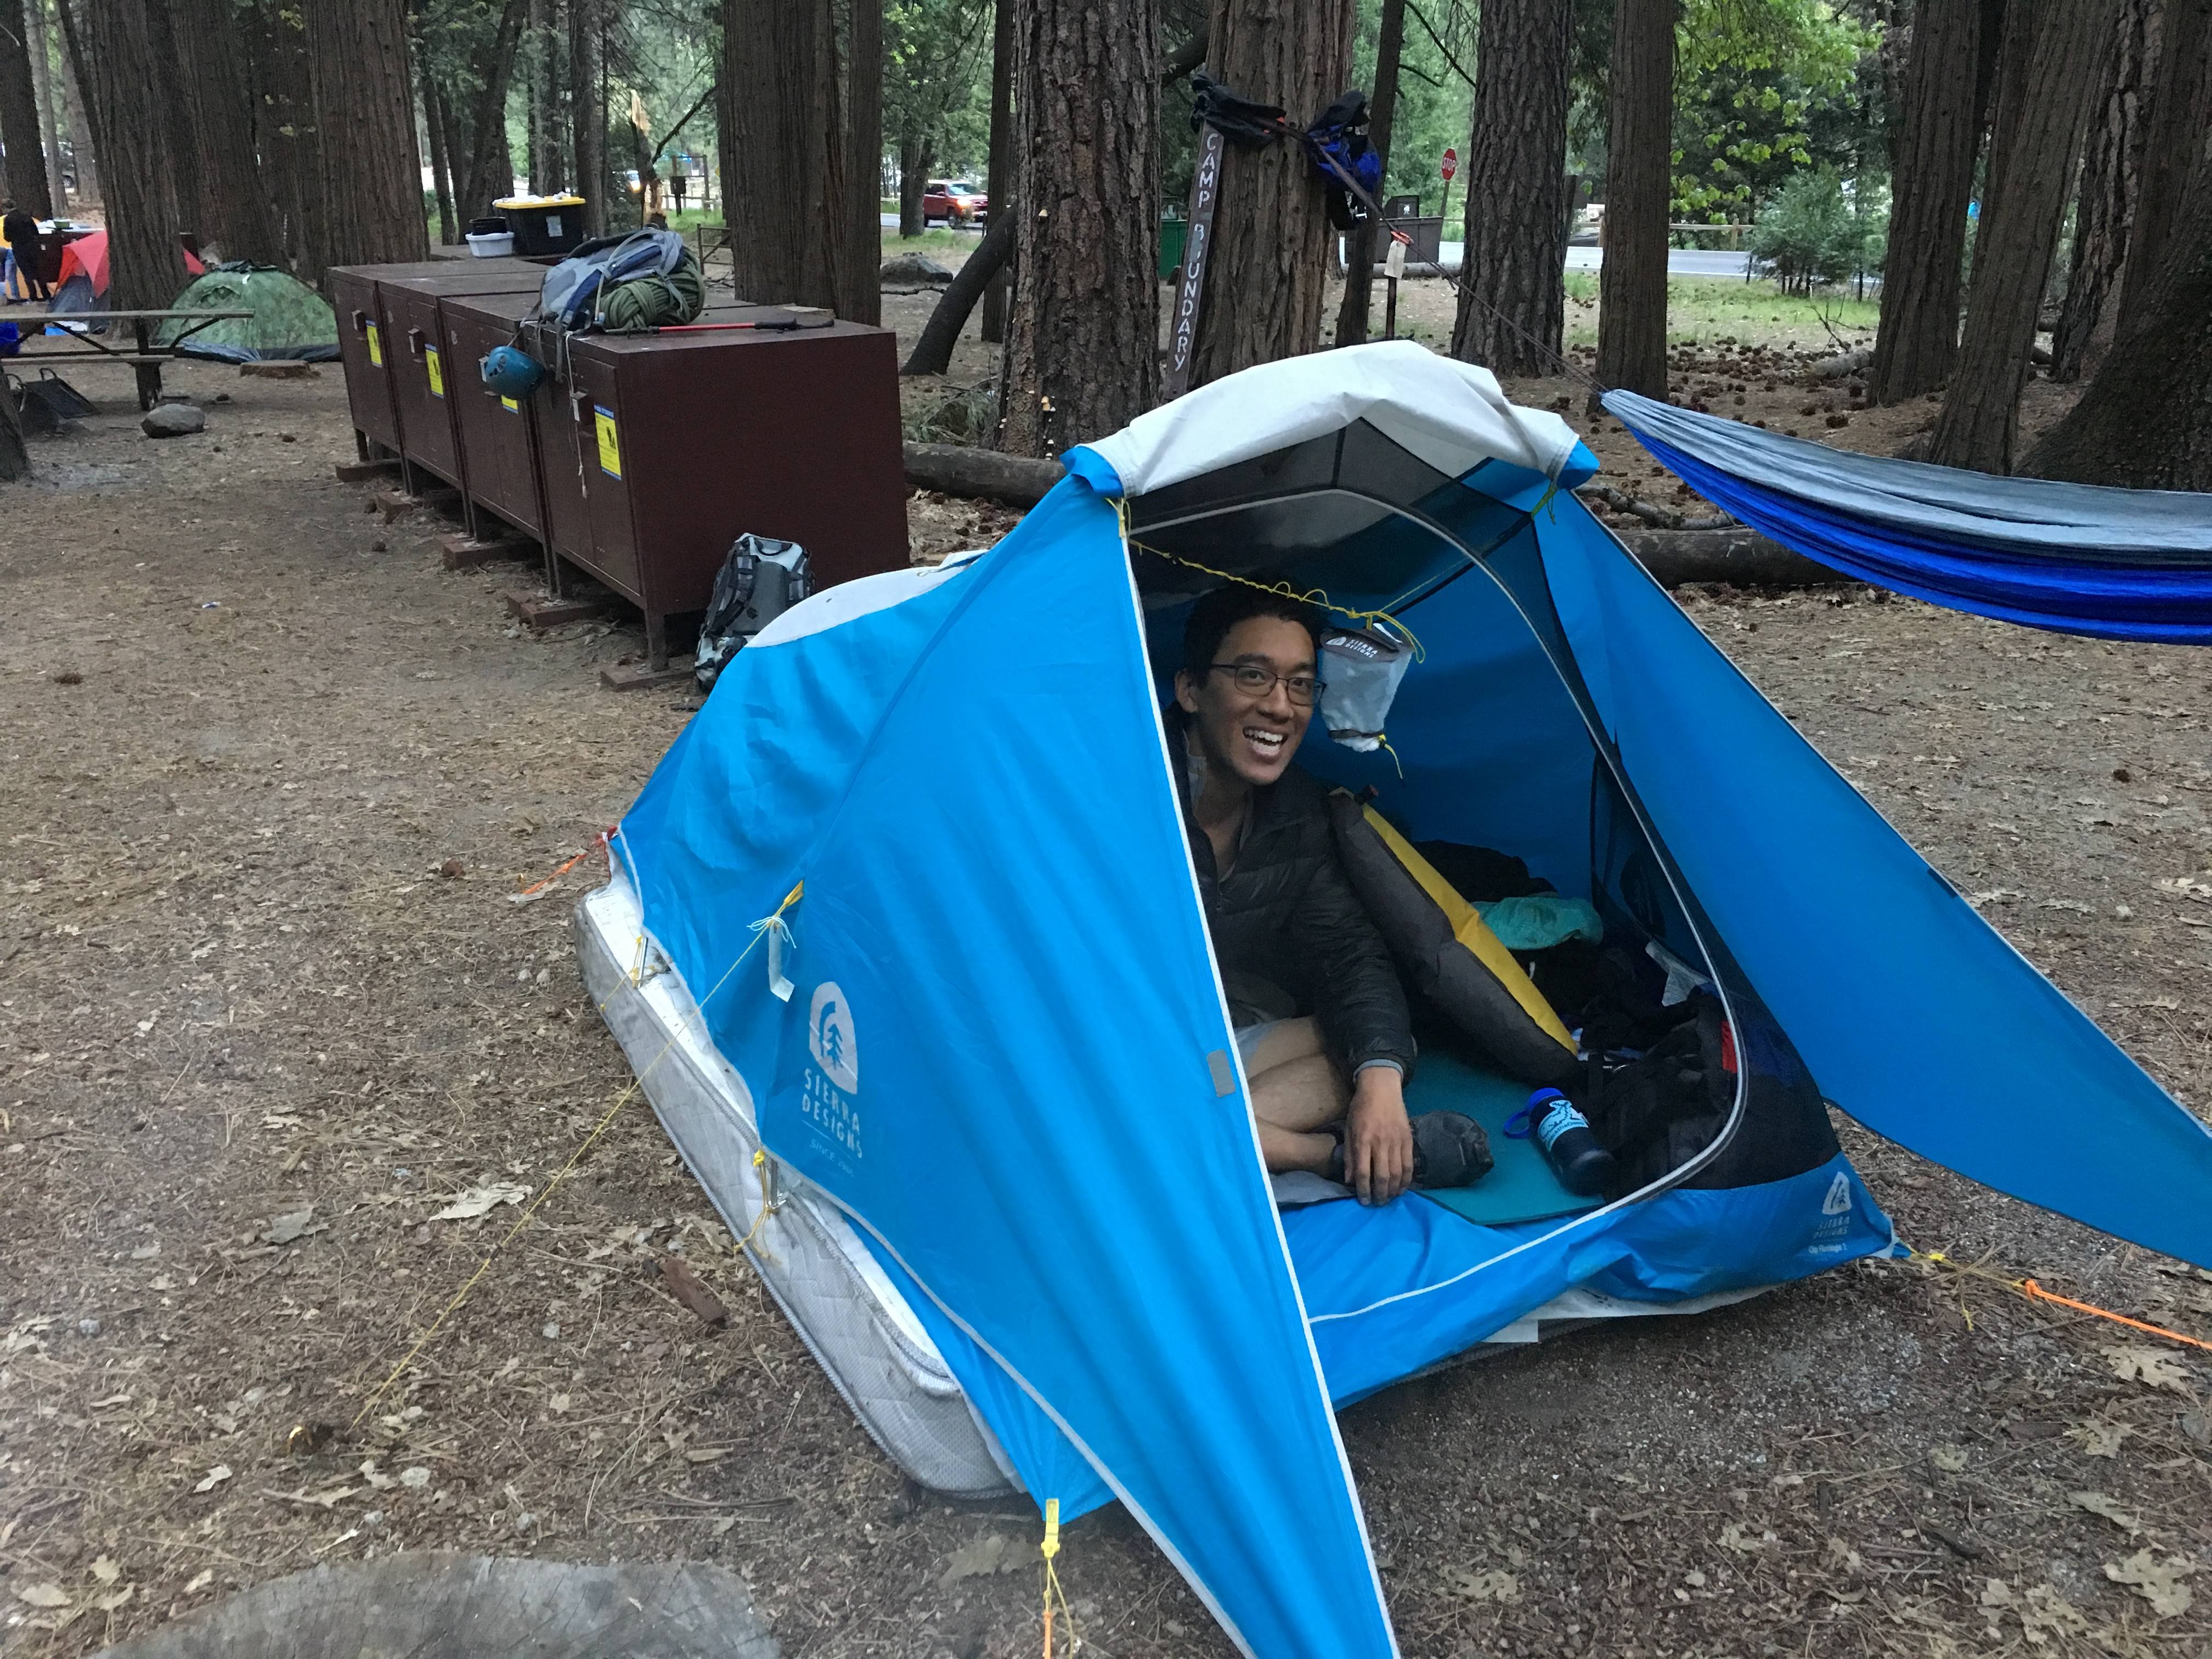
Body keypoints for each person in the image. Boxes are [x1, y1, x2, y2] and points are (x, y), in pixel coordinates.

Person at [1170, 585, 1488, 1204]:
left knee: (1375, 1050)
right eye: (1254, 676)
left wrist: (1380, 1084)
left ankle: (1204, 1145)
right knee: (1142, 1106)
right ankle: (1325, 1157)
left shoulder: (1297, 812)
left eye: (1299, 685)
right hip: (1120, 1055)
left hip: (1212, 1049)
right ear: (1190, 690)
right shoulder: (1132, 793)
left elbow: (1347, 954)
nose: (1280, 707)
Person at [2, 200, 46, 304]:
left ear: (5, 208)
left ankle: (33, 296)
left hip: (19, 249)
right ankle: (46, 294)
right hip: (32, 247)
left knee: (27, 274)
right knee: (38, 271)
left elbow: (7, 237)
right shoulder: (26, 216)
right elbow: (35, 232)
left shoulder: (8, 219)